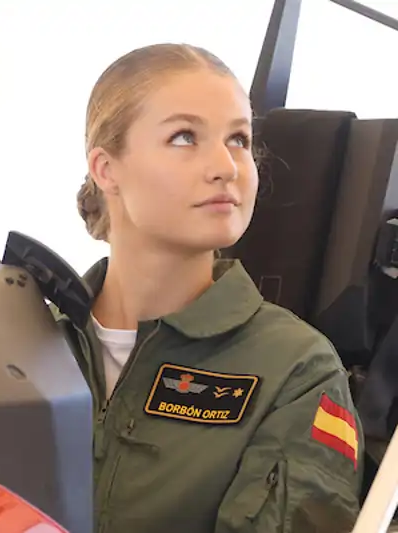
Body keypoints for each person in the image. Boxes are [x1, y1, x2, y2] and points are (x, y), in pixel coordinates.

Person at [51, 43, 364, 533]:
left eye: (238, 139)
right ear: (106, 169)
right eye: (183, 137)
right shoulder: (24, 340)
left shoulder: (297, 373)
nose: (226, 166)